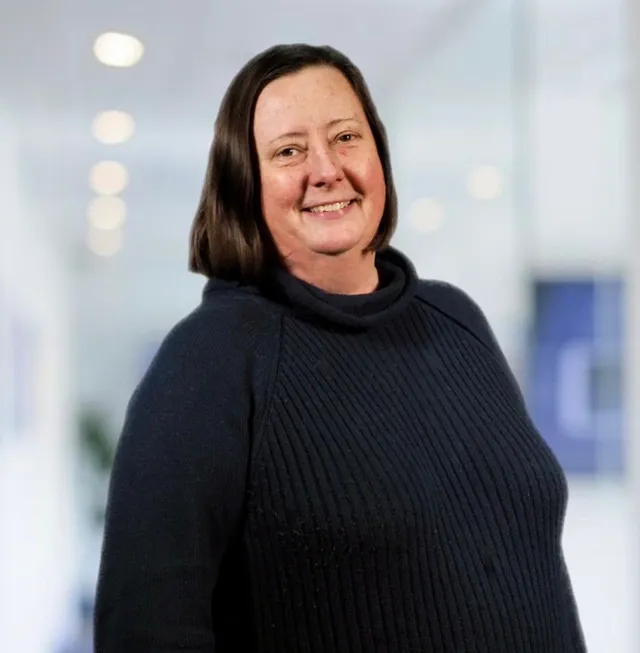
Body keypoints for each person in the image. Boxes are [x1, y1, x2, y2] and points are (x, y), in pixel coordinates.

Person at [94, 43, 587, 653]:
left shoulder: (454, 319)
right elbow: (144, 630)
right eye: (289, 151)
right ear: (244, 184)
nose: (326, 169)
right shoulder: (210, 360)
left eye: (346, 137)